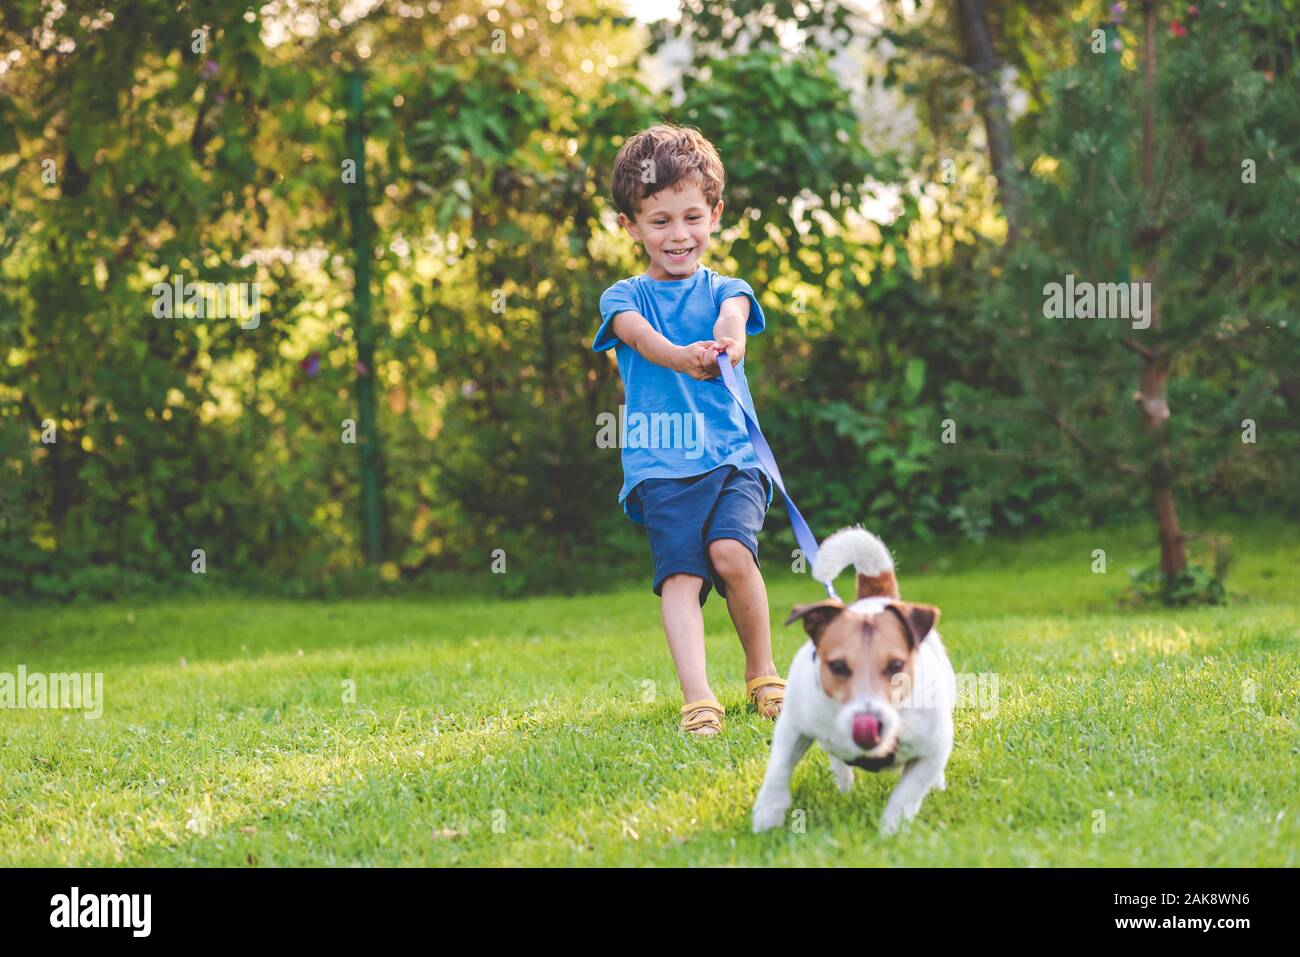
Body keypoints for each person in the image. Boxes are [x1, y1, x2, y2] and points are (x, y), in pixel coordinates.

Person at [591, 123, 786, 736]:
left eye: (692, 217)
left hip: (731, 455)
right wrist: (682, 357)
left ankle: (763, 675)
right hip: (661, 466)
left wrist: (726, 347)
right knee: (681, 575)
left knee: (731, 554)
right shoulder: (623, 298)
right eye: (660, 221)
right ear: (630, 225)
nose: (679, 236)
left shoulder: (730, 289)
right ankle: (699, 698)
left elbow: (734, 327)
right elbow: (642, 341)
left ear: (715, 214)